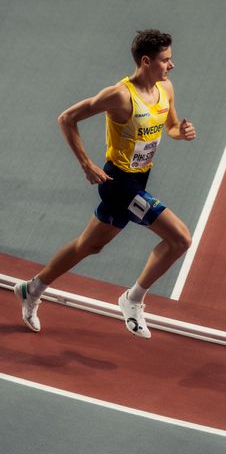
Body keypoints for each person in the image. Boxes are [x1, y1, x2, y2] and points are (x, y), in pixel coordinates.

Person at [14, 29, 196, 339]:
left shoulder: (166, 88)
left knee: (89, 245)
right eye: (166, 60)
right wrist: (87, 164)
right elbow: (67, 118)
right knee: (180, 240)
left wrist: (182, 131)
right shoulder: (120, 95)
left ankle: (32, 288)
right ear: (146, 61)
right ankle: (133, 299)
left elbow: (171, 127)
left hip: (139, 178)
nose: (172, 65)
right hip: (119, 183)